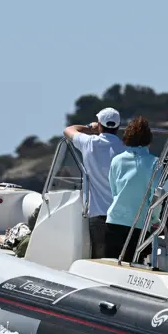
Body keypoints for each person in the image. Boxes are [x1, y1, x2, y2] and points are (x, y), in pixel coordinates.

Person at [64, 107, 126, 257]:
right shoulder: (126, 149)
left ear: (99, 125)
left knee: (100, 260)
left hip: (99, 215)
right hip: (123, 217)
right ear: (117, 127)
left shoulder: (89, 143)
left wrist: (89, 128)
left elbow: (68, 130)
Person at [105, 116, 159, 262]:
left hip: (114, 221)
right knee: (134, 267)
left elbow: (114, 190)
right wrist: (155, 219)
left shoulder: (117, 160)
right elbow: (156, 196)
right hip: (139, 224)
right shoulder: (154, 163)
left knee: (112, 264)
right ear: (149, 138)